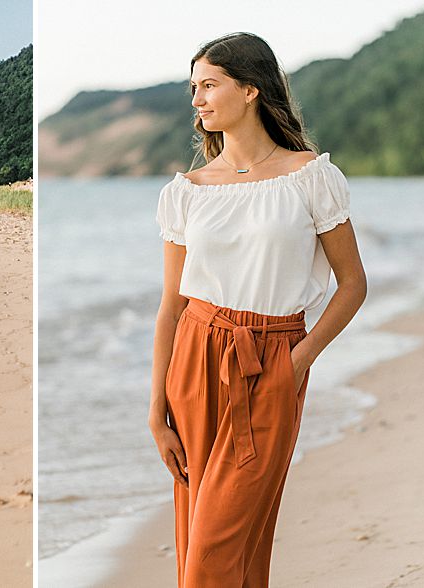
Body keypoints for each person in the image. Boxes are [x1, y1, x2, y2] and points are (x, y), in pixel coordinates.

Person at [148, 32, 367, 588]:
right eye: (193, 88)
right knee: (214, 545)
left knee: (211, 559)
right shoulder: (188, 191)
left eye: (209, 85)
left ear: (249, 89)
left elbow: (352, 285)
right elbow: (172, 304)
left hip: (270, 358)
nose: (196, 99)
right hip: (194, 361)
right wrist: (156, 407)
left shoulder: (310, 177)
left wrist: (295, 363)